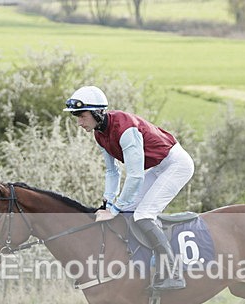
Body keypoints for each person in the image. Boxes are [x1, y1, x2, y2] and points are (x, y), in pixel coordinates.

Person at [64, 86, 194, 290]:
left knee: (143, 215)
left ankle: (172, 273)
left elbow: (135, 176)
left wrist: (115, 209)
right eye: (77, 117)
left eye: (82, 116)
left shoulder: (126, 130)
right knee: (126, 212)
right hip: (157, 167)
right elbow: (112, 172)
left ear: (97, 112)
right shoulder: (99, 134)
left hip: (176, 165)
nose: (79, 122)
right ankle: (140, 264)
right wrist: (108, 203)